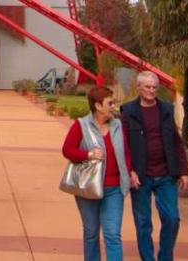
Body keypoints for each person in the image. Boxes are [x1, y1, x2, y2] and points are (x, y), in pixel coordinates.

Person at [62, 85, 138, 261]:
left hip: (114, 189)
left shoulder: (117, 125)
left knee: (112, 235)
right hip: (88, 189)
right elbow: (67, 150)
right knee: (91, 233)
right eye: (110, 103)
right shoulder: (81, 125)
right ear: (98, 106)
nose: (114, 107)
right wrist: (88, 154)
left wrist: (129, 171)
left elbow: (125, 152)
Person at [121, 71, 188, 261]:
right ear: (139, 88)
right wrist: (130, 171)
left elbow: (176, 142)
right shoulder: (128, 111)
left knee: (172, 219)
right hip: (140, 177)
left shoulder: (166, 109)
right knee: (143, 223)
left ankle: (165, 257)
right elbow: (123, 145)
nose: (152, 91)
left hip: (166, 175)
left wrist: (183, 171)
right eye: (148, 87)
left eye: (154, 87)